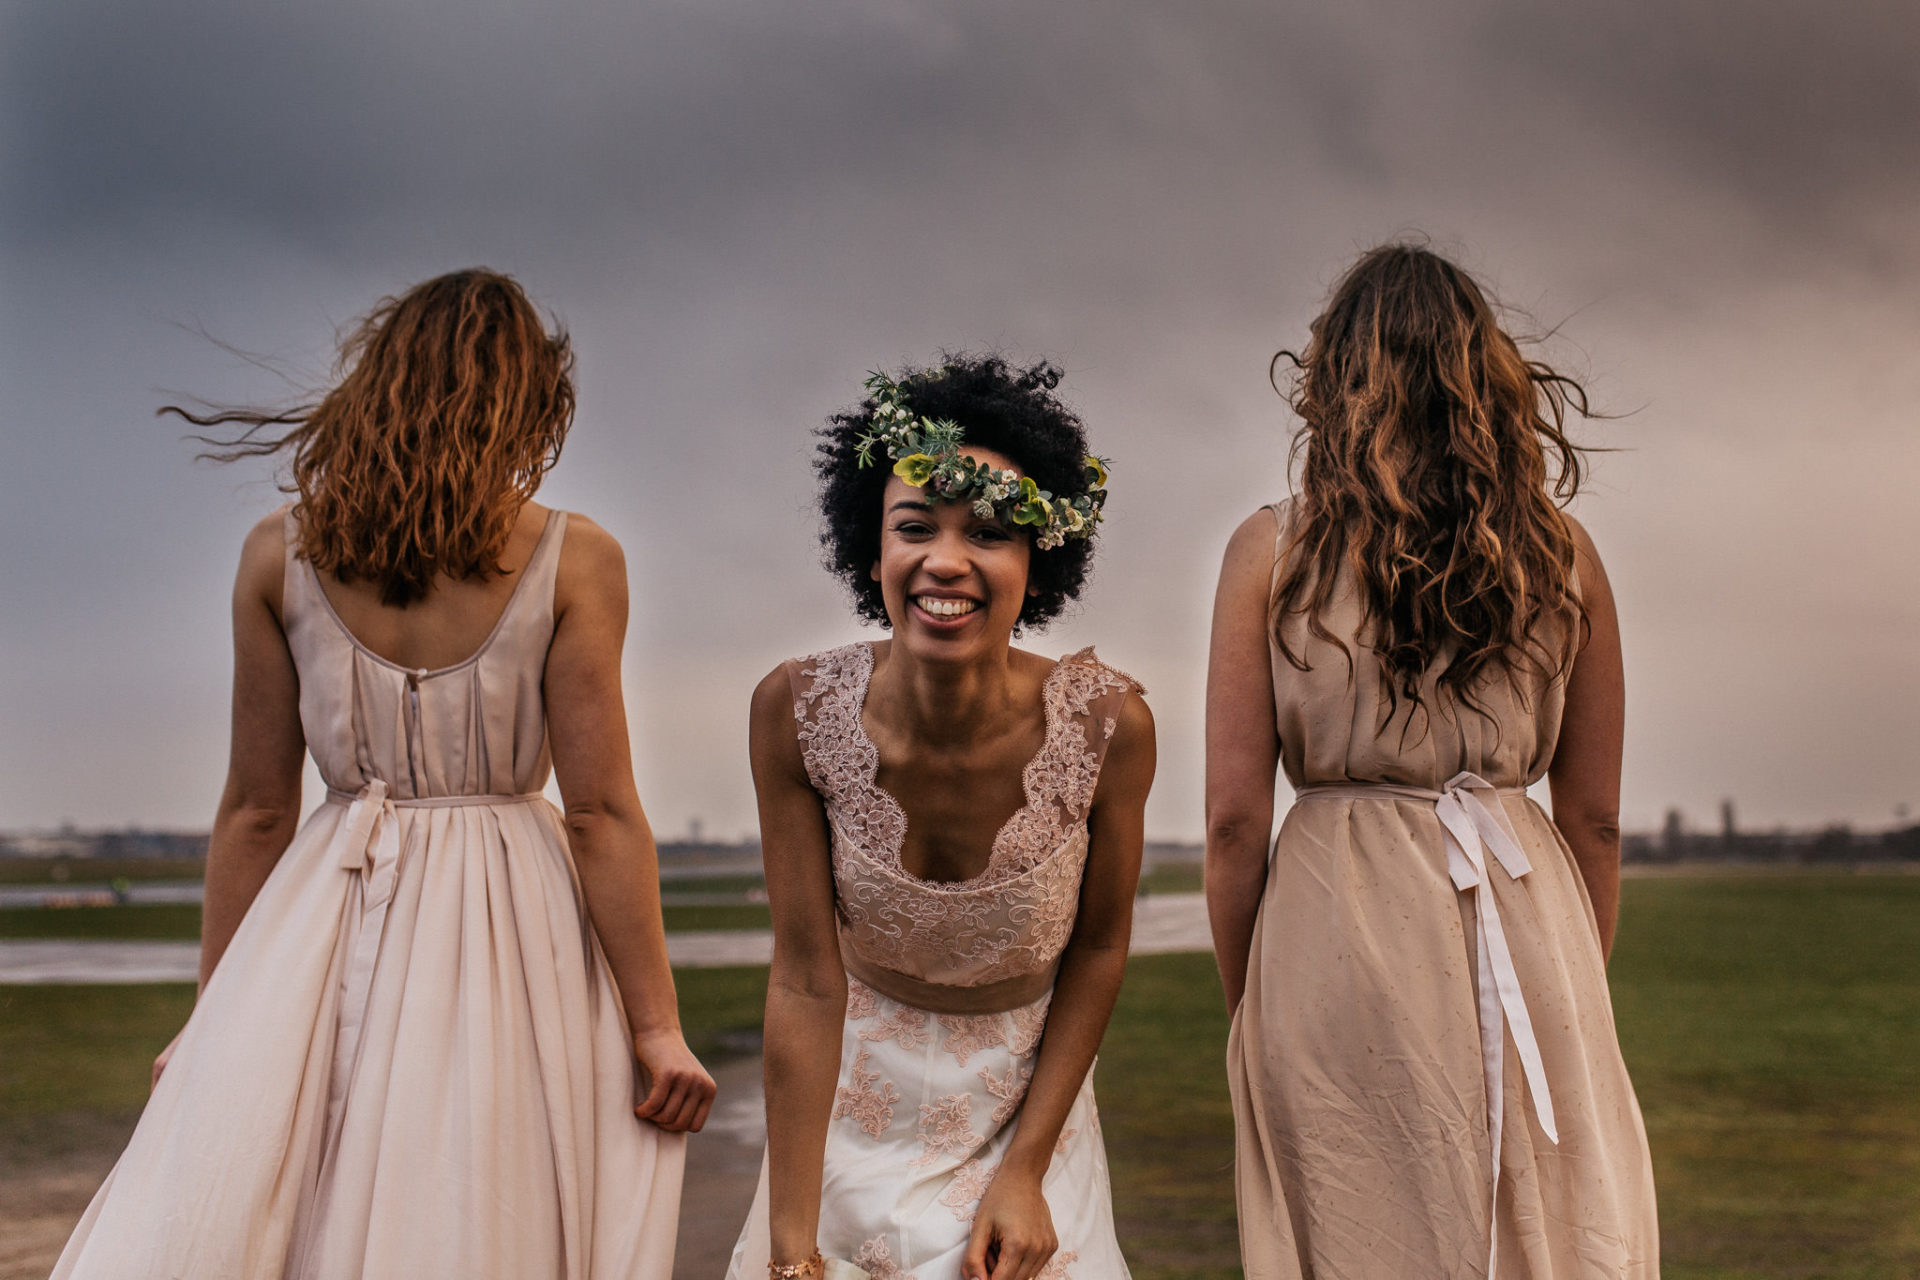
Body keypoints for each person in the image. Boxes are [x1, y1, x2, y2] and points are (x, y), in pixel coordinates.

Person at [52, 269, 715, 1279]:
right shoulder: (579, 557)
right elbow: (603, 813)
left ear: (377, 384)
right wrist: (657, 1024)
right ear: (527, 402)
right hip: (516, 912)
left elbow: (255, 810)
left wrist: (215, 1017)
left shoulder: (279, 551)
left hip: (329, 905)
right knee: (485, 1194)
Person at [1205, 245, 1659, 1278]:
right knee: (1544, 1229)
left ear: (1333, 383)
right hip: (1529, 912)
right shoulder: (1565, 556)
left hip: (1332, 934)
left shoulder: (1271, 552)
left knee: (1359, 1232)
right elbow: (1593, 818)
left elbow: (1234, 820)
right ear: (1490, 384)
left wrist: (1255, 1005)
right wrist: (1569, 977)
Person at [727, 358, 1154, 1280]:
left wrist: (1027, 1171)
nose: (945, 561)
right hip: (842, 1111)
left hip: (1029, 1118)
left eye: (990, 534)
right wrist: (792, 1251)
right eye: (914, 528)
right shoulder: (792, 711)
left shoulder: (1110, 727)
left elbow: (1099, 947)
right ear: (871, 551)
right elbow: (804, 981)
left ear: (1037, 558)